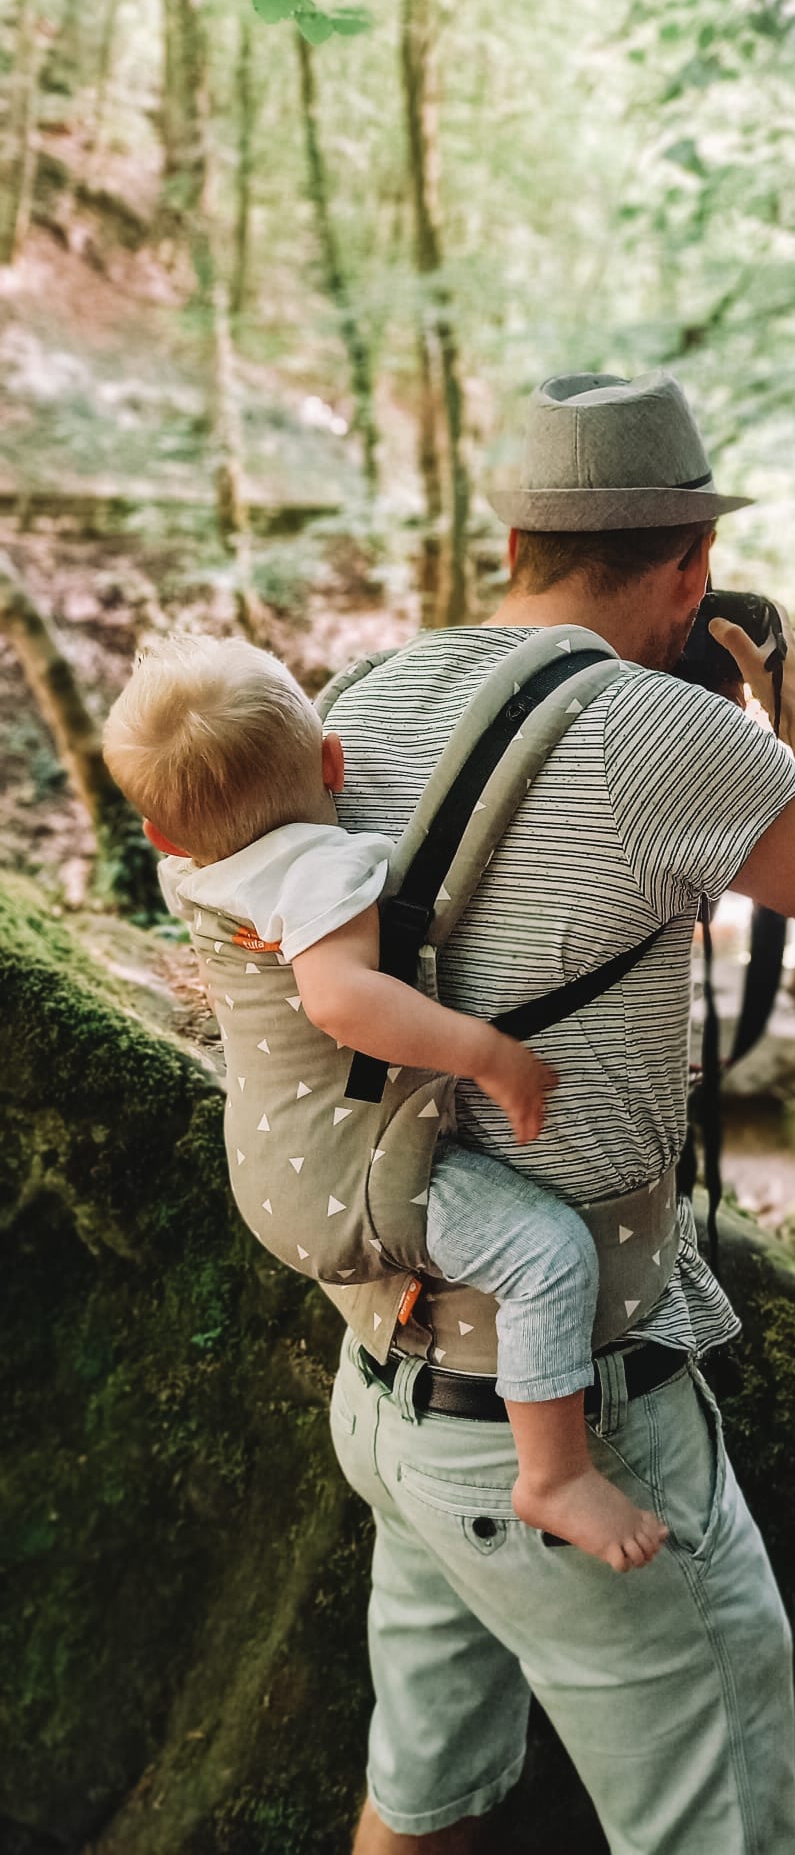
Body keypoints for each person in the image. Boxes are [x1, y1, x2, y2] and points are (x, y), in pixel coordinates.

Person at [323, 369, 795, 1855]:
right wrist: (793, 699)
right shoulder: (670, 739)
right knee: (712, 1821)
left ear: (511, 551)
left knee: (425, 1792)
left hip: (392, 1382)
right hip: (571, 1429)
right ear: (688, 572)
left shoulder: (359, 693)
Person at [101, 633, 670, 1572]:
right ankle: (554, 1475)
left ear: (162, 834)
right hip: (360, 1177)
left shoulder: (195, 872)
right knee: (547, 1254)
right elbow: (339, 1000)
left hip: (276, 1170)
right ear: (335, 761)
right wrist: (487, 1053)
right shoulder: (319, 872)